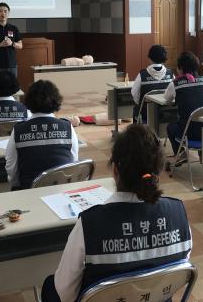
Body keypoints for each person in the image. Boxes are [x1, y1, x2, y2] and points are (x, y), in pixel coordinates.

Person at [40, 124, 192, 302]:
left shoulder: (90, 223)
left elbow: (65, 294)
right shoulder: (178, 213)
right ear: (157, 170)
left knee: (50, 286)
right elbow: (175, 273)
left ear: (115, 170)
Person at [4, 80, 78, 190]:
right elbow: (73, 161)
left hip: (29, 191)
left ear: (28, 100)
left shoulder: (19, 129)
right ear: (56, 100)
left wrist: (16, 185)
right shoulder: (67, 127)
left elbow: (11, 167)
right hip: (61, 190)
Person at [164, 52, 203, 160]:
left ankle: (180, 153)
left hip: (188, 133)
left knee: (170, 127)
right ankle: (202, 153)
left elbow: (167, 100)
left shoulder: (175, 84)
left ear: (180, 68)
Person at [131, 44, 174, 123]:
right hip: (166, 114)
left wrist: (141, 104)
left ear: (149, 58)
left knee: (135, 109)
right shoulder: (171, 74)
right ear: (164, 58)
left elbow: (134, 93)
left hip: (146, 114)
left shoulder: (142, 74)